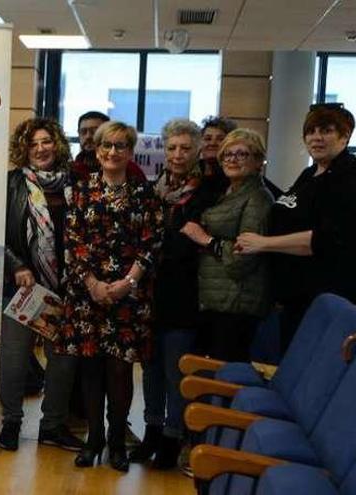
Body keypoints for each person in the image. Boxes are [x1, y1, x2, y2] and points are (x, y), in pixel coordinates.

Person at [61, 121, 163, 473]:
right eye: (107, 145)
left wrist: (127, 283)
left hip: (128, 297)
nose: (112, 152)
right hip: (86, 294)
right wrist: (92, 284)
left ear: (130, 151)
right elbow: (72, 242)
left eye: (121, 146)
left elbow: (152, 243)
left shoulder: (145, 193)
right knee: (89, 370)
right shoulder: (81, 190)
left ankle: (118, 440)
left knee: (120, 372)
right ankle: (94, 439)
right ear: (97, 149)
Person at [130, 119, 217, 469]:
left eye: (185, 147)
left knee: (175, 370)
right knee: (149, 368)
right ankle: (151, 428)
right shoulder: (155, 189)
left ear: (197, 149)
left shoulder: (207, 191)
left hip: (185, 293)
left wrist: (160, 243)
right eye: (171, 147)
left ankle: (172, 435)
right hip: (151, 292)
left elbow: (187, 242)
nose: (177, 154)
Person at [235, 104, 356, 354]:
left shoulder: (348, 176)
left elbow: (326, 240)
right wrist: (252, 175)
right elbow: (287, 206)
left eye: (326, 130)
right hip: (294, 298)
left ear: (345, 136)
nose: (316, 137)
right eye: (310, 131)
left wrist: (263, 243)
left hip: (325, 298)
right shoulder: (311, 173)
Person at [0, 117, 84, 453]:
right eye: (32, 144)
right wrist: (17, 265)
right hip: (21, 288)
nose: (40, 149)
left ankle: (53, 426)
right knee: (14, 359)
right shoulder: (11, 184)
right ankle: (11, 423)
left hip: (66, 288)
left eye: (46, 141)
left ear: (57, 144)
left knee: (63, 360)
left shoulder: (77, 183)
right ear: (24, 149)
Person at [181, 128, 273, 362]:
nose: (232, 159)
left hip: (236, 305)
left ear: (258, 161)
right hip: (216, 300)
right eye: (227, 154)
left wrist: (206, 239)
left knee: (225, 380)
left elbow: (241, 259)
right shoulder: (228, 192)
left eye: (241, 154)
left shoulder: (258, 198)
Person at [200, 116, 283, 199]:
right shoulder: (195, 171)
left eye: (220, 139)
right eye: (207, 139)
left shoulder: (237, 174)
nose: (212, 143)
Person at [72, 111, 146, 182]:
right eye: (83, 132)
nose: (88, 136)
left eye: (94, 131)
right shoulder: (72, 170)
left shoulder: (131, 170)